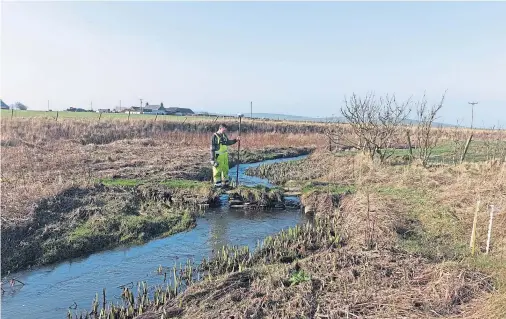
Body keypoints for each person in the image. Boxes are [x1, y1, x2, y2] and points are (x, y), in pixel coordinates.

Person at [210, 123, 240, 188]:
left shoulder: (224, 135)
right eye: (223, 130)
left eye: (225, 130)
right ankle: (217, 185)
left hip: (224, 156)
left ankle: (225, 184)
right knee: (217, 170)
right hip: (218, 156)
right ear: (220, 128)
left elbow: (228, 142)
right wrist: (212, 159)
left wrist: (235, 140)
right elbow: (212, 148)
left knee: (225, 169)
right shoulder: (214, 136)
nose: (224, 132)